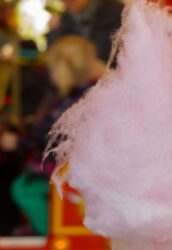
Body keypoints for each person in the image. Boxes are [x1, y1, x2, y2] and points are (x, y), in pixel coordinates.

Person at [10, 36, 105, 235]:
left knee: (23, 188)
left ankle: (47, 230)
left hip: (67, 169)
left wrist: (18, 141)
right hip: (76, 165)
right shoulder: (90, 92)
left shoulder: (71, 101)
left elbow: (46, 136)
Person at [46, 0, 123, 62]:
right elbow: (55, 60)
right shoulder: (63, 22)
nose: (66, 1)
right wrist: (54, 32)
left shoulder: (118, 13)